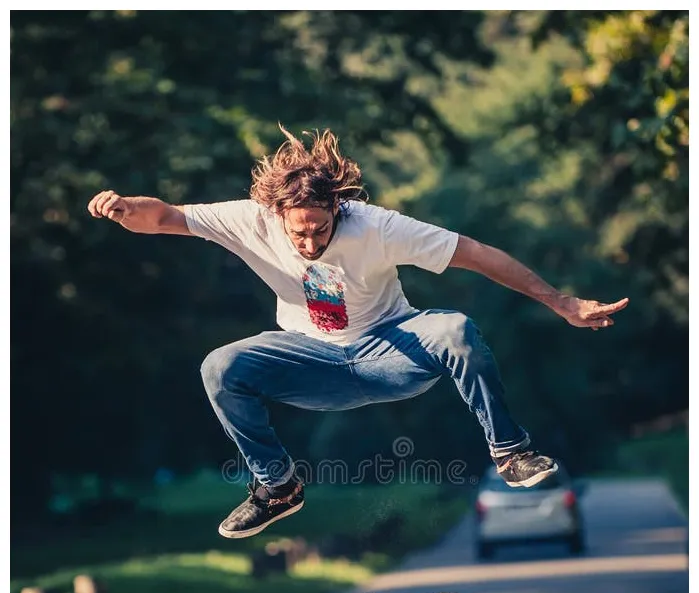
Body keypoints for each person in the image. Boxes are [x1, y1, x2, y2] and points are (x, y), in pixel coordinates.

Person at [87, 126, 628, 539]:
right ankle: (278, 486)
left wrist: (560, 302)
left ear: (338, 210)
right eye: (298, 232)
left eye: (320, 229)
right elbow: (164, 218)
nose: (309, 242)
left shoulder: (378, 226)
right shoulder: (250, 219)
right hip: (309, 361)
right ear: (277, 215)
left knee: (457, 329)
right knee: (220, 367)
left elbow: (478, 255)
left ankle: (510, 453)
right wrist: (126, 208)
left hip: (389, 351)